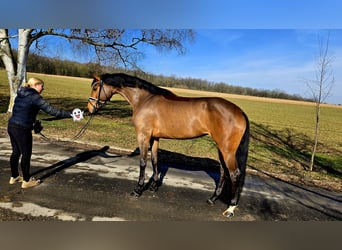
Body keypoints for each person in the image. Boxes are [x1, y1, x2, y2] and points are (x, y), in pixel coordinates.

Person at [7, 77, 72, 188]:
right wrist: (71, 114)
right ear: (35, 85)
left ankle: (14, 177)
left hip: (12, 125)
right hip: (22, 129)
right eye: (42, 86)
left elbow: (22, 110)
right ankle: (26, 181)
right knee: (26, 155)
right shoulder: (35, 97)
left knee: (16, 152)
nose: (43, 88)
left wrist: (33, 122)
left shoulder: (20, 94)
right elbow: (53, 111)